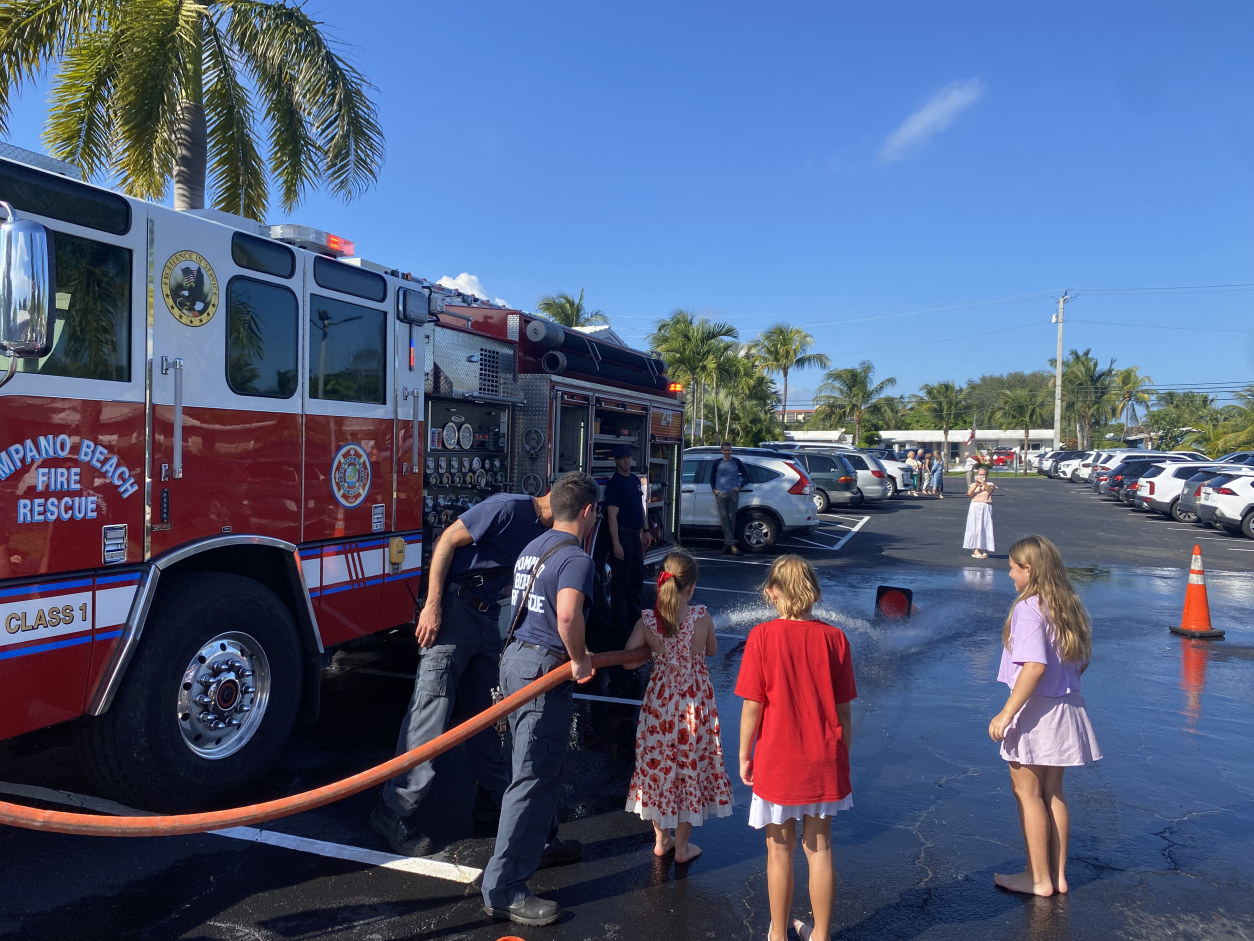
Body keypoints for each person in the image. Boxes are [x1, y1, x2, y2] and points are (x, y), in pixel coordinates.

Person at [370, 490, 552, 857]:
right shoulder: (507, 508)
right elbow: (446, 541)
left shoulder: (542, 530)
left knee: (486, 715)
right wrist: (433, 605)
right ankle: (392, 811)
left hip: (486, 618)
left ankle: (492, 799)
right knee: (430, 713)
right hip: (454, 614)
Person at [481, 472, 601, 927]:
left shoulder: (534, 547)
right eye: (594, 513)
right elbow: (567, 615)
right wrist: (580, 659)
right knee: (531, 776)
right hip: (544, 670)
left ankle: (544, 844)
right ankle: (503, 888)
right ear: (587, 512)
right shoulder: (575, 557)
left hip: (516, 660)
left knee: (534, 764)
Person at [736, 556, 856, 941]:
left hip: (778, 757)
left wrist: (744, 755)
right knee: (819, 848)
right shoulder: (835, 638)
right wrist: (842, 755)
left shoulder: (761, 636)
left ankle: (778, 934)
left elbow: (752, 706)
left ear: (772, 592)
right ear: (813, 593)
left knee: (779, 850)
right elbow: (844, 711)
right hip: (823, 757)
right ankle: (820, 934)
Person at [989, 535, 1101, 897]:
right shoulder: (1067, 604)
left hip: (1036, 711)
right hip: (1067, 708)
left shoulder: (1028, 608)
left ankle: (1037, 879)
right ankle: (1057, 875)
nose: (1009, 575)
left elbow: (1034, 667)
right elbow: (1082, 662)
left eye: (1012, 568)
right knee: (1053, 792)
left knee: (1027, 793)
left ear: (1028, 569)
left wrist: (1006, 714)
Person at [623, 550, 733, 863]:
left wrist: (654, 651)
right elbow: (711, 650)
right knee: (689, 769)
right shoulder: (701, 617)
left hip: (660, 705)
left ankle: (661, 840)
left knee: (659, 768)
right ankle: (682, 847)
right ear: (691, 587)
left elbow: (628, 662)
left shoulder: (648, 621)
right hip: (694, 706)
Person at [605, 442, 651, 640]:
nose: (626, 461)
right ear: (616, 461)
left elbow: (640, 507)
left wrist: (645, 530)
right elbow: (612, 516)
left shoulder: (633, 480)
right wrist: (616, 543)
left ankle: (635, 621)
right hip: (623, 535)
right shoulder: (615, 484)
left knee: (636, 578)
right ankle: (621, 627)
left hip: (635, 534)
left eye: (628, 457)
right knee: (621, 582)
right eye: (622, 458)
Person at [712, 441, 749, 554]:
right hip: (721, 494)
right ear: (721, 451)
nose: (727, 452)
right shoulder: (717, 462)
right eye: (725, 450)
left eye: (729, 450)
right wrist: (714, 489)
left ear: (731, 450)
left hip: (733, 493)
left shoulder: (736, 462)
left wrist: (739, 487)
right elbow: (712, 477)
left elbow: (746, 477)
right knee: (724, 519)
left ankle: (727, 545)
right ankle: (732, 545)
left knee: (732, 519)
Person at [964, 466, 996, 559]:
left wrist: (983, 482)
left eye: (983, 475)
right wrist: (976, 484)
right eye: (980, 474)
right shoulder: (973, 485)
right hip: (975, 506)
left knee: (986, 527)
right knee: (975, 528)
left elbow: (989, 490)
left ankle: (985, 549)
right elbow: (969, 493)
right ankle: (975, 550)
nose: (982, 476)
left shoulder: (990, 484)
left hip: (986, 506)